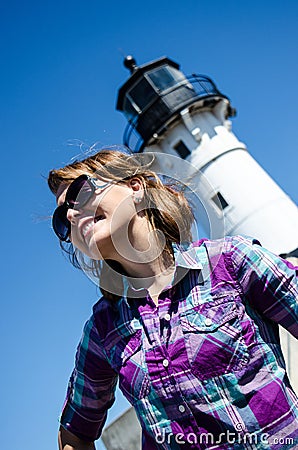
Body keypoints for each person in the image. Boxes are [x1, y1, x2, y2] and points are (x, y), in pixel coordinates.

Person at [48, 148, 298, 450]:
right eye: (62, 220)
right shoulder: (102, 331)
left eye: (81, 191)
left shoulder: (232, 261)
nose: (72, 214)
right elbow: (75, 434)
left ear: (134, 187)